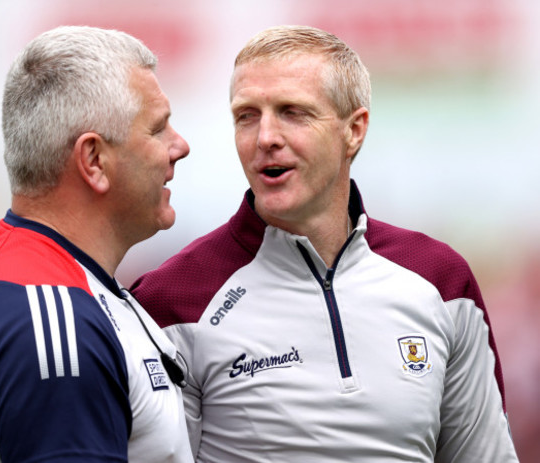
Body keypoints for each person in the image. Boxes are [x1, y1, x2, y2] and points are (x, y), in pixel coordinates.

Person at [130, 25, 519, 462]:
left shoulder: (440, 278)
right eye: (247, 115)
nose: (265, 138)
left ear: (354, 131)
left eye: (293, 112)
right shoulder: (169, 299)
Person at [0, 25, 192, 462]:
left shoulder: (50, 281)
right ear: (94, 160)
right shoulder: (53, 323)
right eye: (158, 128)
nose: (179, 146)